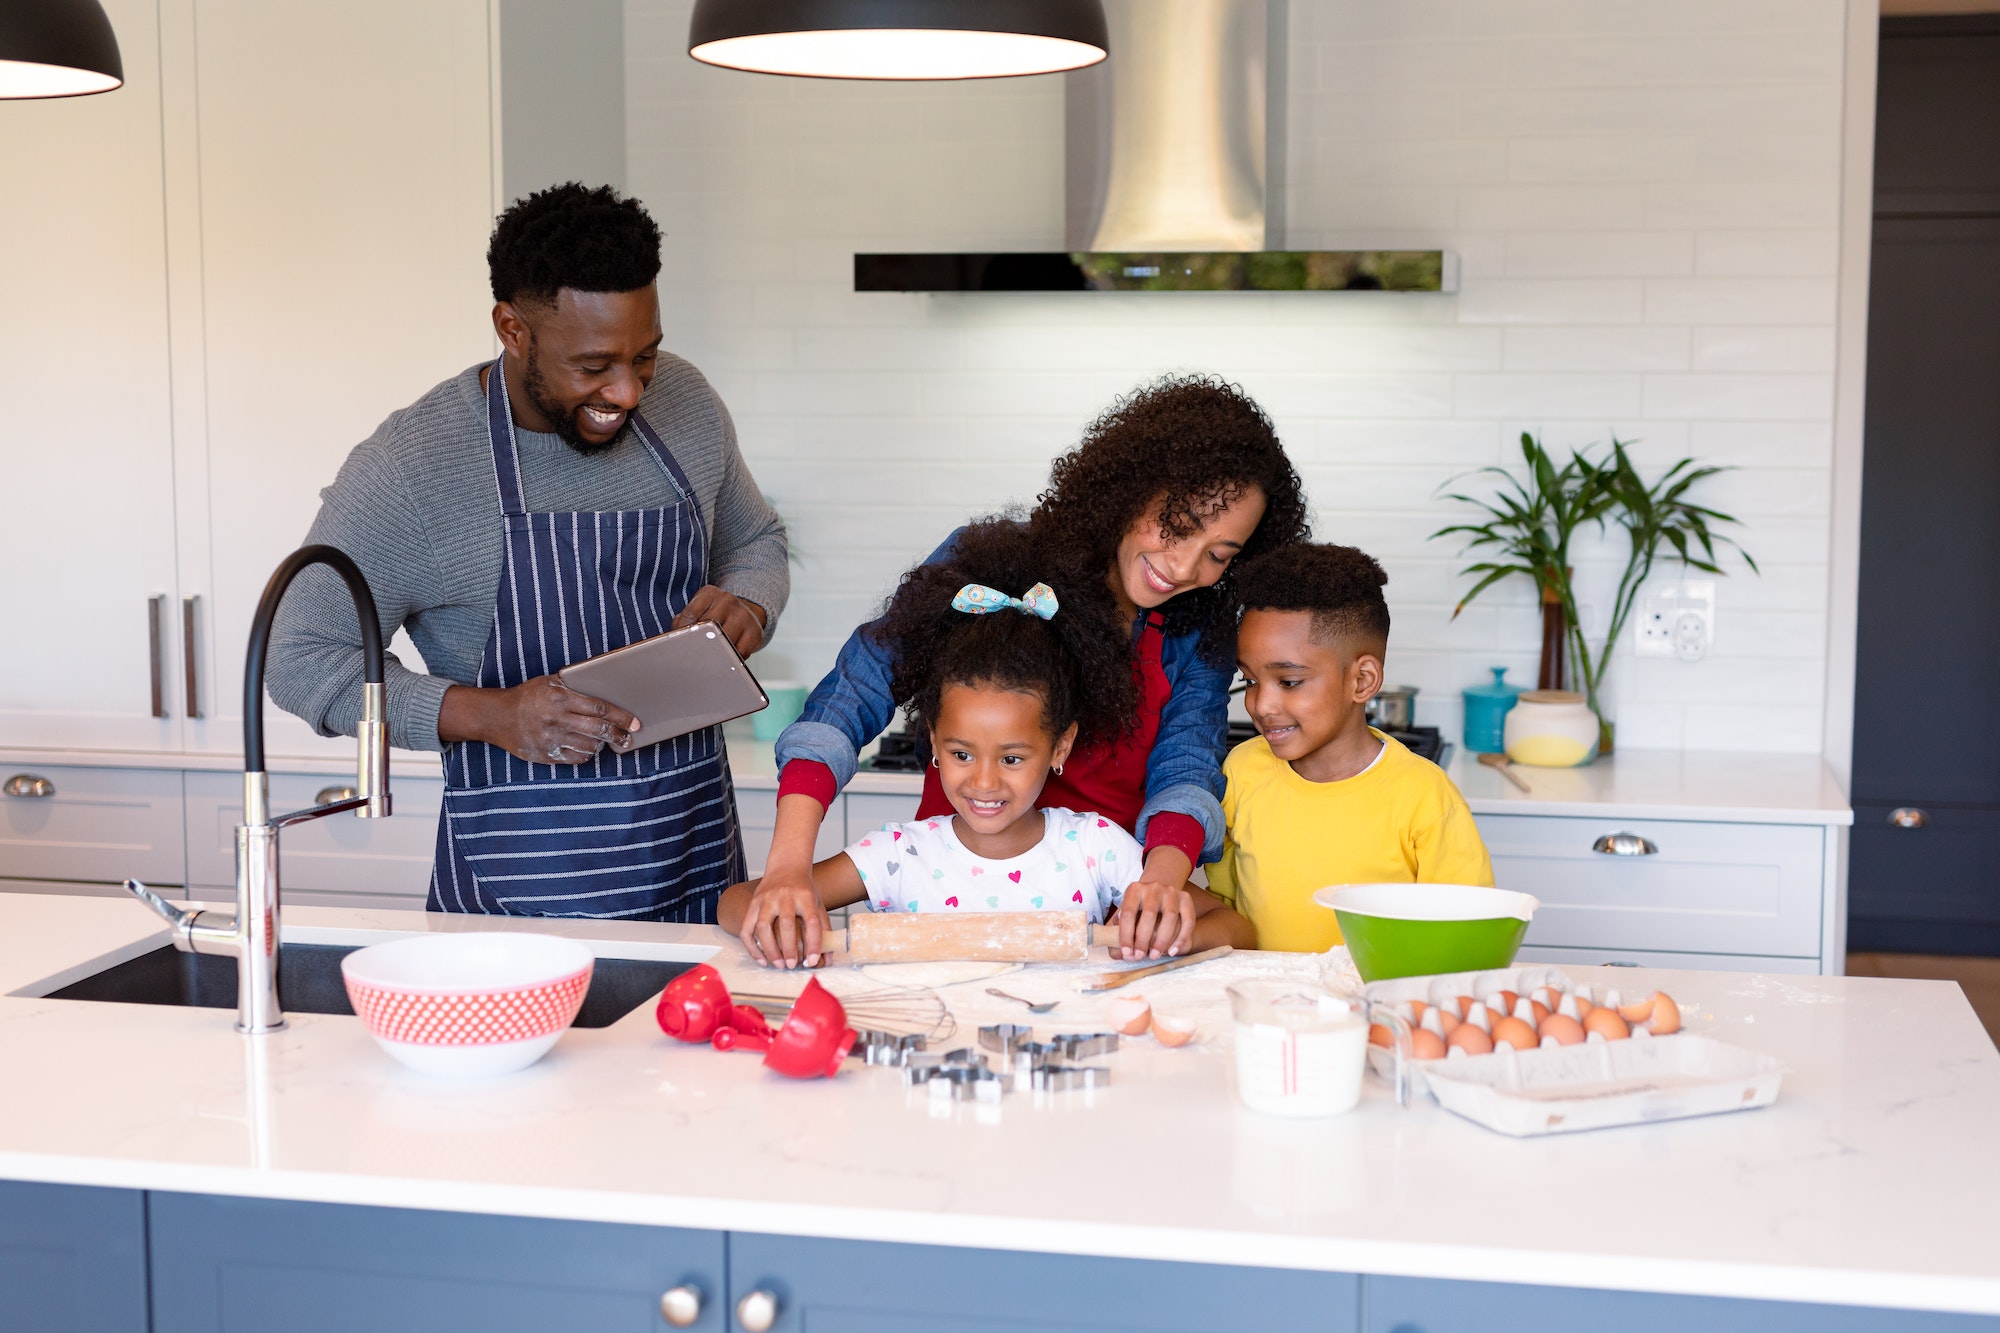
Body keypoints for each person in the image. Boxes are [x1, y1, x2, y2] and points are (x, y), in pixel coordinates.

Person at [267, 183, 788, 922]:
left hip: (696, 864)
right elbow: (301, 657)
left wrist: (750, 601)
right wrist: (491, 715)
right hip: (522, 898)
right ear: (512, 329)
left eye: (646, 355)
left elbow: (757, 541)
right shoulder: (414, 466)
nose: (630, 391)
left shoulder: (687, 403)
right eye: (595, 364)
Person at [747, 373, 1308, 967]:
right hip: (951, 904)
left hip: (1102, 923)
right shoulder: (994, 566)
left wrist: (1159, 884)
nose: (1185, 565)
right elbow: (854, 693)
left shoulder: (1198, 632)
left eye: (1219, 555)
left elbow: (1187, 764)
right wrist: (787, 869)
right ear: (1130, 489)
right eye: (1178, 526)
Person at [720, 520, 1251, 963]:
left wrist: (1166, 934)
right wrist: (782, 918)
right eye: (961, 753)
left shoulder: (1095, 849)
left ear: (1060, 748)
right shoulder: (903, 856)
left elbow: (1236, 929)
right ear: (932, 741)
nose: (985, 780)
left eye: (1014, 757)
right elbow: (738, 904)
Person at [1205, 544, 1493, 952]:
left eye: (1288, 682)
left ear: (1362, 681)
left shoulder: (1424, 797)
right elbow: (1225, 906)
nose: (1260, 705)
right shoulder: (1243, 771)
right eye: (1250, 680)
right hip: (1267, 1007)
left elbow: (1468, 931)